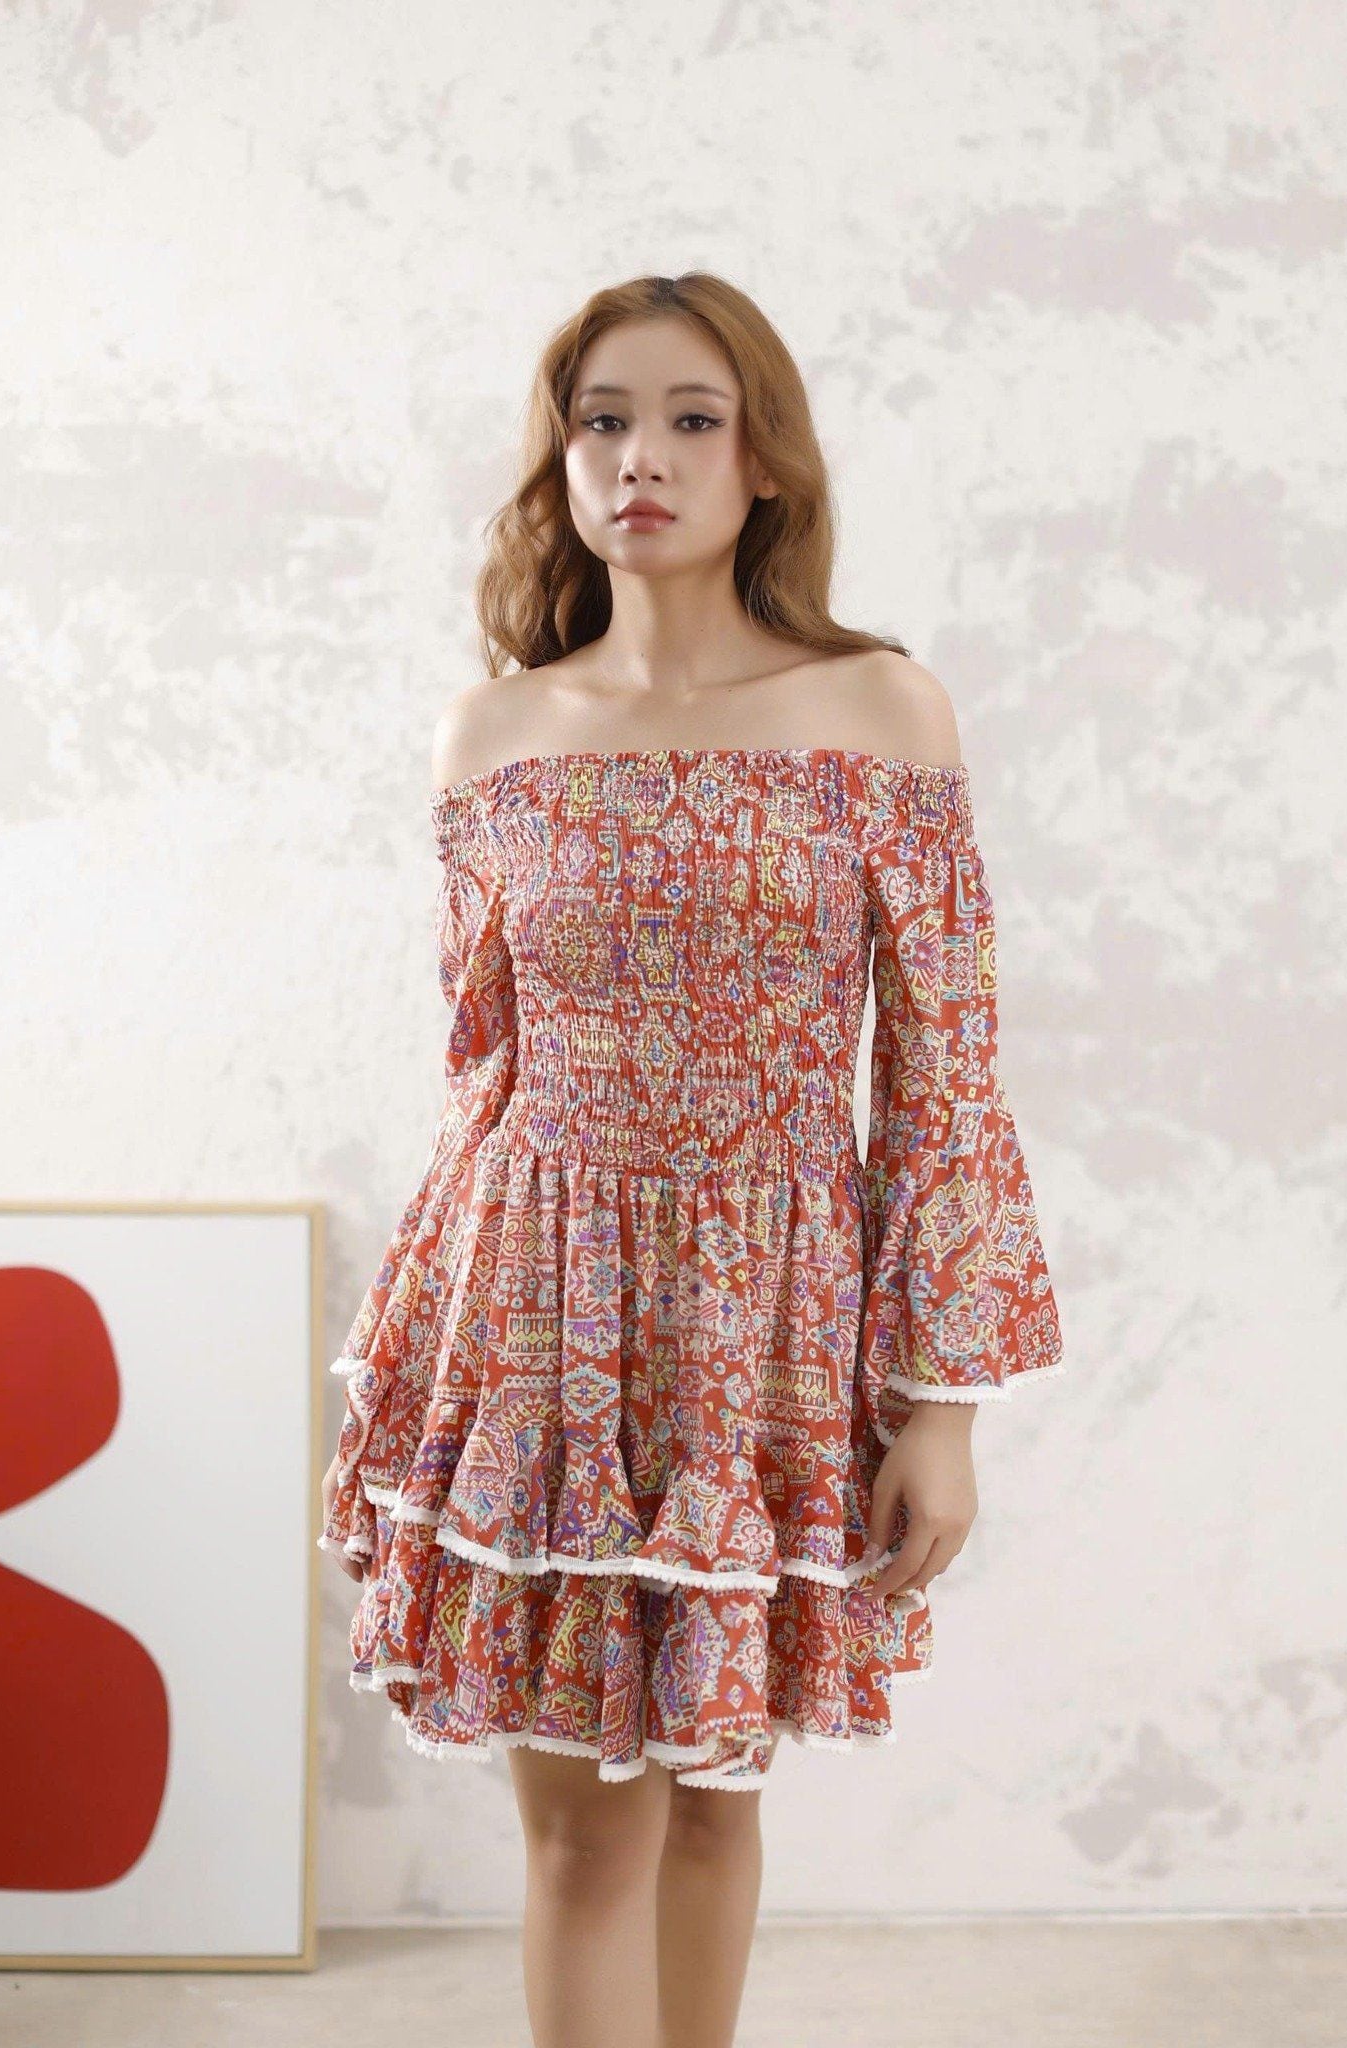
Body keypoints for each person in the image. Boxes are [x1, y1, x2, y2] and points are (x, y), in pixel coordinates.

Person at [318, 271, 1067, 2048]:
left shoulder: (878, 710)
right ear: (559, 460)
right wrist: (433, 1356)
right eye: (600, 420)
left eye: (688, 419)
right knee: (586, 1829)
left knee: (717, 1803)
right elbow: (482, 1069)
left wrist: (940, 1407)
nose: (638, 457)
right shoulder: (493, 734)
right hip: (537, 1317)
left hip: (768, 1324)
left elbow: (944, 1078)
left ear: (764, 463)